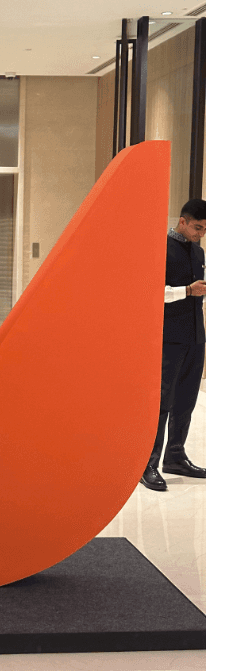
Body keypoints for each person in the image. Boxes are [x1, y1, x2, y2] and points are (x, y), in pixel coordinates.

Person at [140, 198, 206, 492]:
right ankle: (148, 463)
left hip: (195, 337)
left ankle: (175, 457)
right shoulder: (161, 248)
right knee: (162, 402)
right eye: (197, 227)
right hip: (169, 337)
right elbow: (152, 293)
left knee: (186, 400)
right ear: (182, 221)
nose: (200, 234)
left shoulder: (198, 252)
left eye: (204, 229)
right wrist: (188, 291)